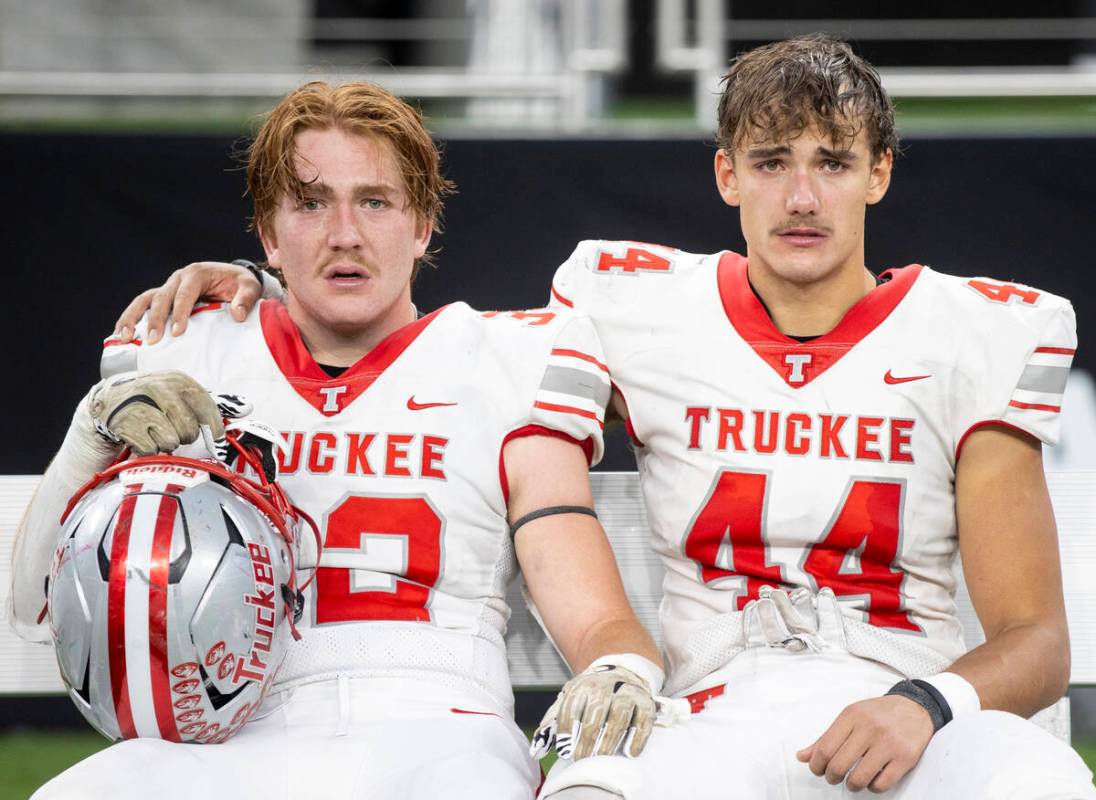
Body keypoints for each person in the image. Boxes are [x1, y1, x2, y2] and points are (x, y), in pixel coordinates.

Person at [109, 36, 1096, 799]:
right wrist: (254, 288)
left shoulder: (971, 330)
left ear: (878, 172)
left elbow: (1037, 639)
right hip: (712, 712)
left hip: (911, 705)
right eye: (769, 161)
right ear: (725, 176)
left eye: (832, 162)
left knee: (1043, 780)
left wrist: (925, 705)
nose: (800, 195)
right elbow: (437, 347)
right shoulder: (628, 303)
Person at [10, 80, 663, 800]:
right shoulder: (192, 354)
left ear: (423, 226)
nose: (344, 233)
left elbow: (589, 604)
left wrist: (618, 665)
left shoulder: (503, 361)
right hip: (235, 729)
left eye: (375, 202)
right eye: (311, 203)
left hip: (439, 727)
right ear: (268, 231)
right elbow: (30, 608)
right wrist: (91, 428)